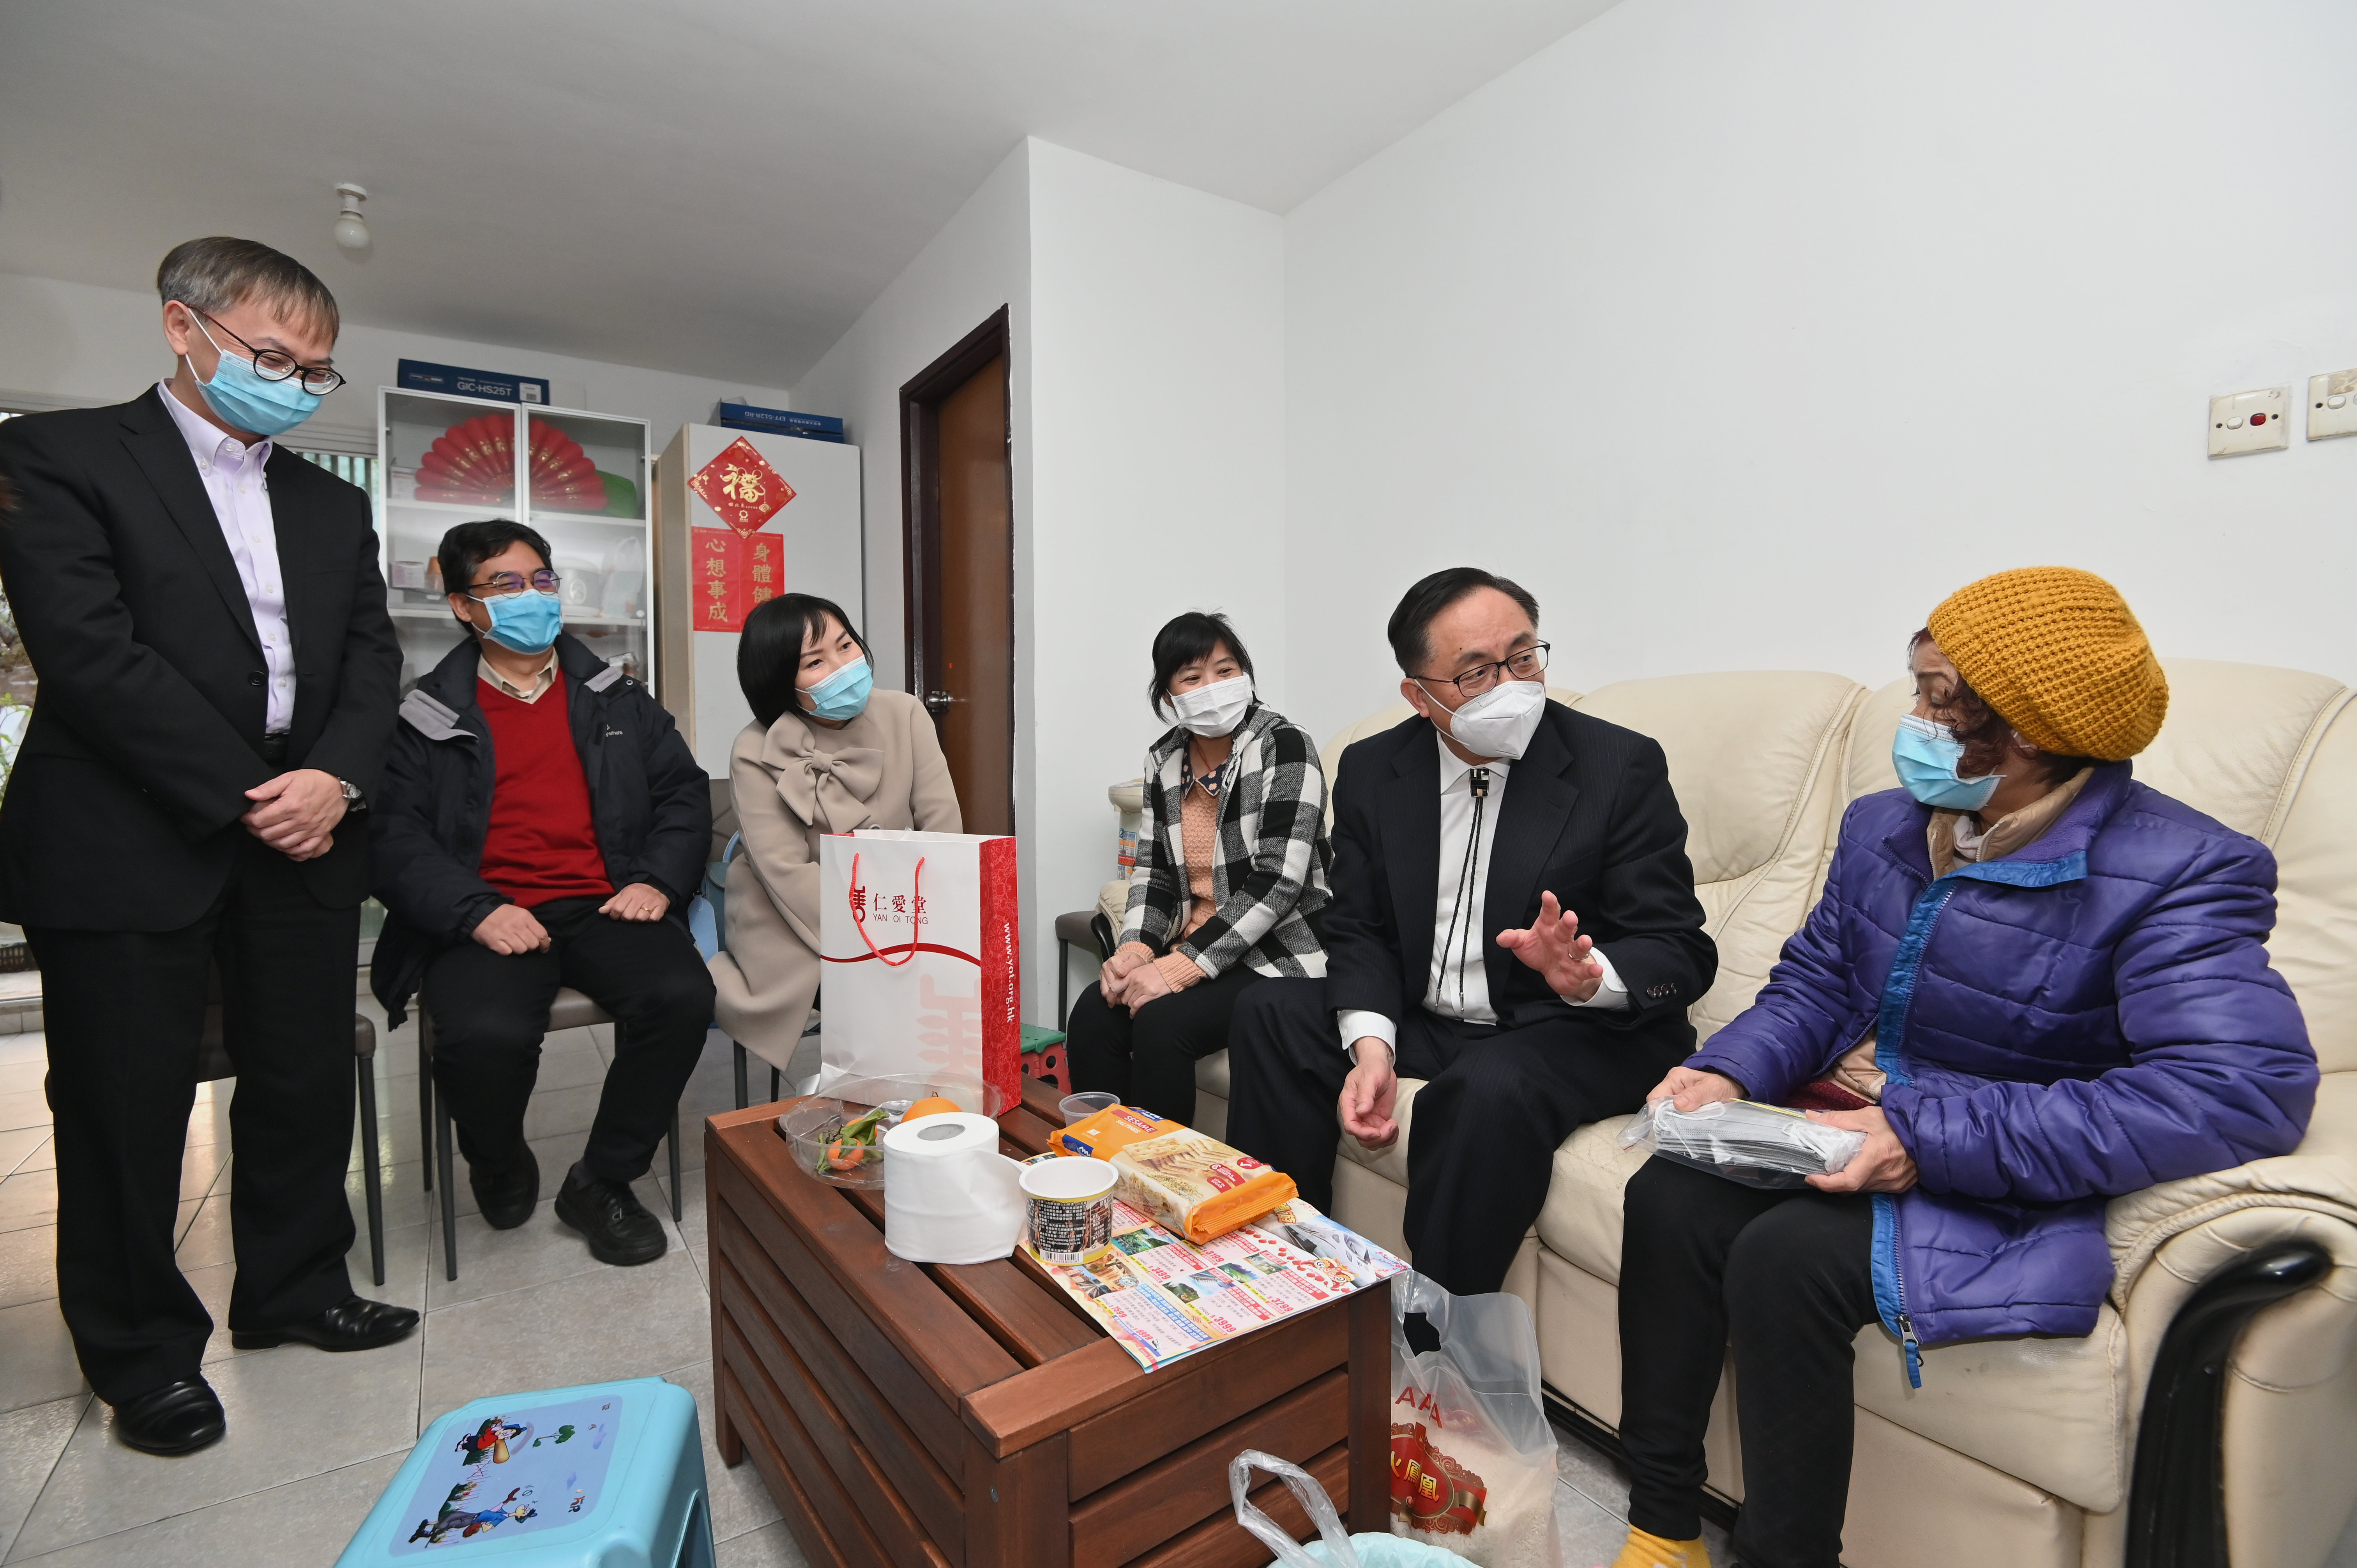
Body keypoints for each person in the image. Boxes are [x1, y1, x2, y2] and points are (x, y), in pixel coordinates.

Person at [1606, 568, 2317, 1568]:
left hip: (1991, 1159)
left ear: (2029, 725)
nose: (1915, 718)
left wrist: (1923, 1136)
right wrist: (1727, 1072)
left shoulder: (2186, 867)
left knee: (1786, 1259)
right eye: (1919, 687)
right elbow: (1815, 982)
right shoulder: (1884, 825)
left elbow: (2241, 1087)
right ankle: (1663, 1519)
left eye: (1940, 696)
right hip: (1839, 1117)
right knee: (1672, 1193)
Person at [0, 237, 410, 1455]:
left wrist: (333, 777)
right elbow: (89, 654)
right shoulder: (56, 456)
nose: (292, 383)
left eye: (316, 371)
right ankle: (140, 1352)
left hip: (306, 827)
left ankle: (294, 1287)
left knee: (301, 1077)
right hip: (127, 830)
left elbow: (372, 661)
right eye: (272, 358)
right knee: (126, 1102)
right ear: (183, 329)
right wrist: (254, 790)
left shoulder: (333, 500)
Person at [1224, 568, 1716, 1301]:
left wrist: (1591, 975)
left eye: (1522, 657)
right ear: (1418, 696)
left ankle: (1433, 1335)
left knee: (1484, 1087)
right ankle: (1286, 1269)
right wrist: (1371, 1046)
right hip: (1435, 1014)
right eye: (1473, 672)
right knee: (1268, 1012)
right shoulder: (1372, 768)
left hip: (1569, 1027)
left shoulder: (1619, 765)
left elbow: (1679, 945)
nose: (1509, 685)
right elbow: (1355, 925)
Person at [371, 520, 714, 1268]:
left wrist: (656, 879)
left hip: (604, 901)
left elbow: (683, 795)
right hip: (486, 912)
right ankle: (497, 1159)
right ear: (464, 606)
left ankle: (602, 1178)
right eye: (506, 584)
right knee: (482, 1034)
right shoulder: (423, 715)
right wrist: (476, 910)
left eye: (541, 580)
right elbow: (394, 837)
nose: (532, 597)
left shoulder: (616, 695)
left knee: (681, 994)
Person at [1065, 613, 1331, 1125]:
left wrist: (1181, 966)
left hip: (1275, 953)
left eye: (1226, 671)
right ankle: (1103, 1166)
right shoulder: (1163, 761)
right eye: (1192, 678)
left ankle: (1161, 1182)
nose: (1213, 687)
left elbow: (1279, 879)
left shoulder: (1285, 747)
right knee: (1094, 1014)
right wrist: (1135, 949)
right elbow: (1155, 873)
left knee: (1162, 1022)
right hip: (1195, 944)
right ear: (1169, 697)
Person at [710, 594, 958, 1070]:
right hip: (793, 919)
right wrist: (875, 939)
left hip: (899, 903)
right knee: (878, 986)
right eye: (815, 662)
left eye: (846, 646)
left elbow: (942, 829)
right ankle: (865, 1110)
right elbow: (785, 872)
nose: (843, 666)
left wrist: (917, 922)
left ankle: (921, 1102)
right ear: (780, 680)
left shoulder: (905, 713)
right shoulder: (755, 747)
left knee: (955, 971)